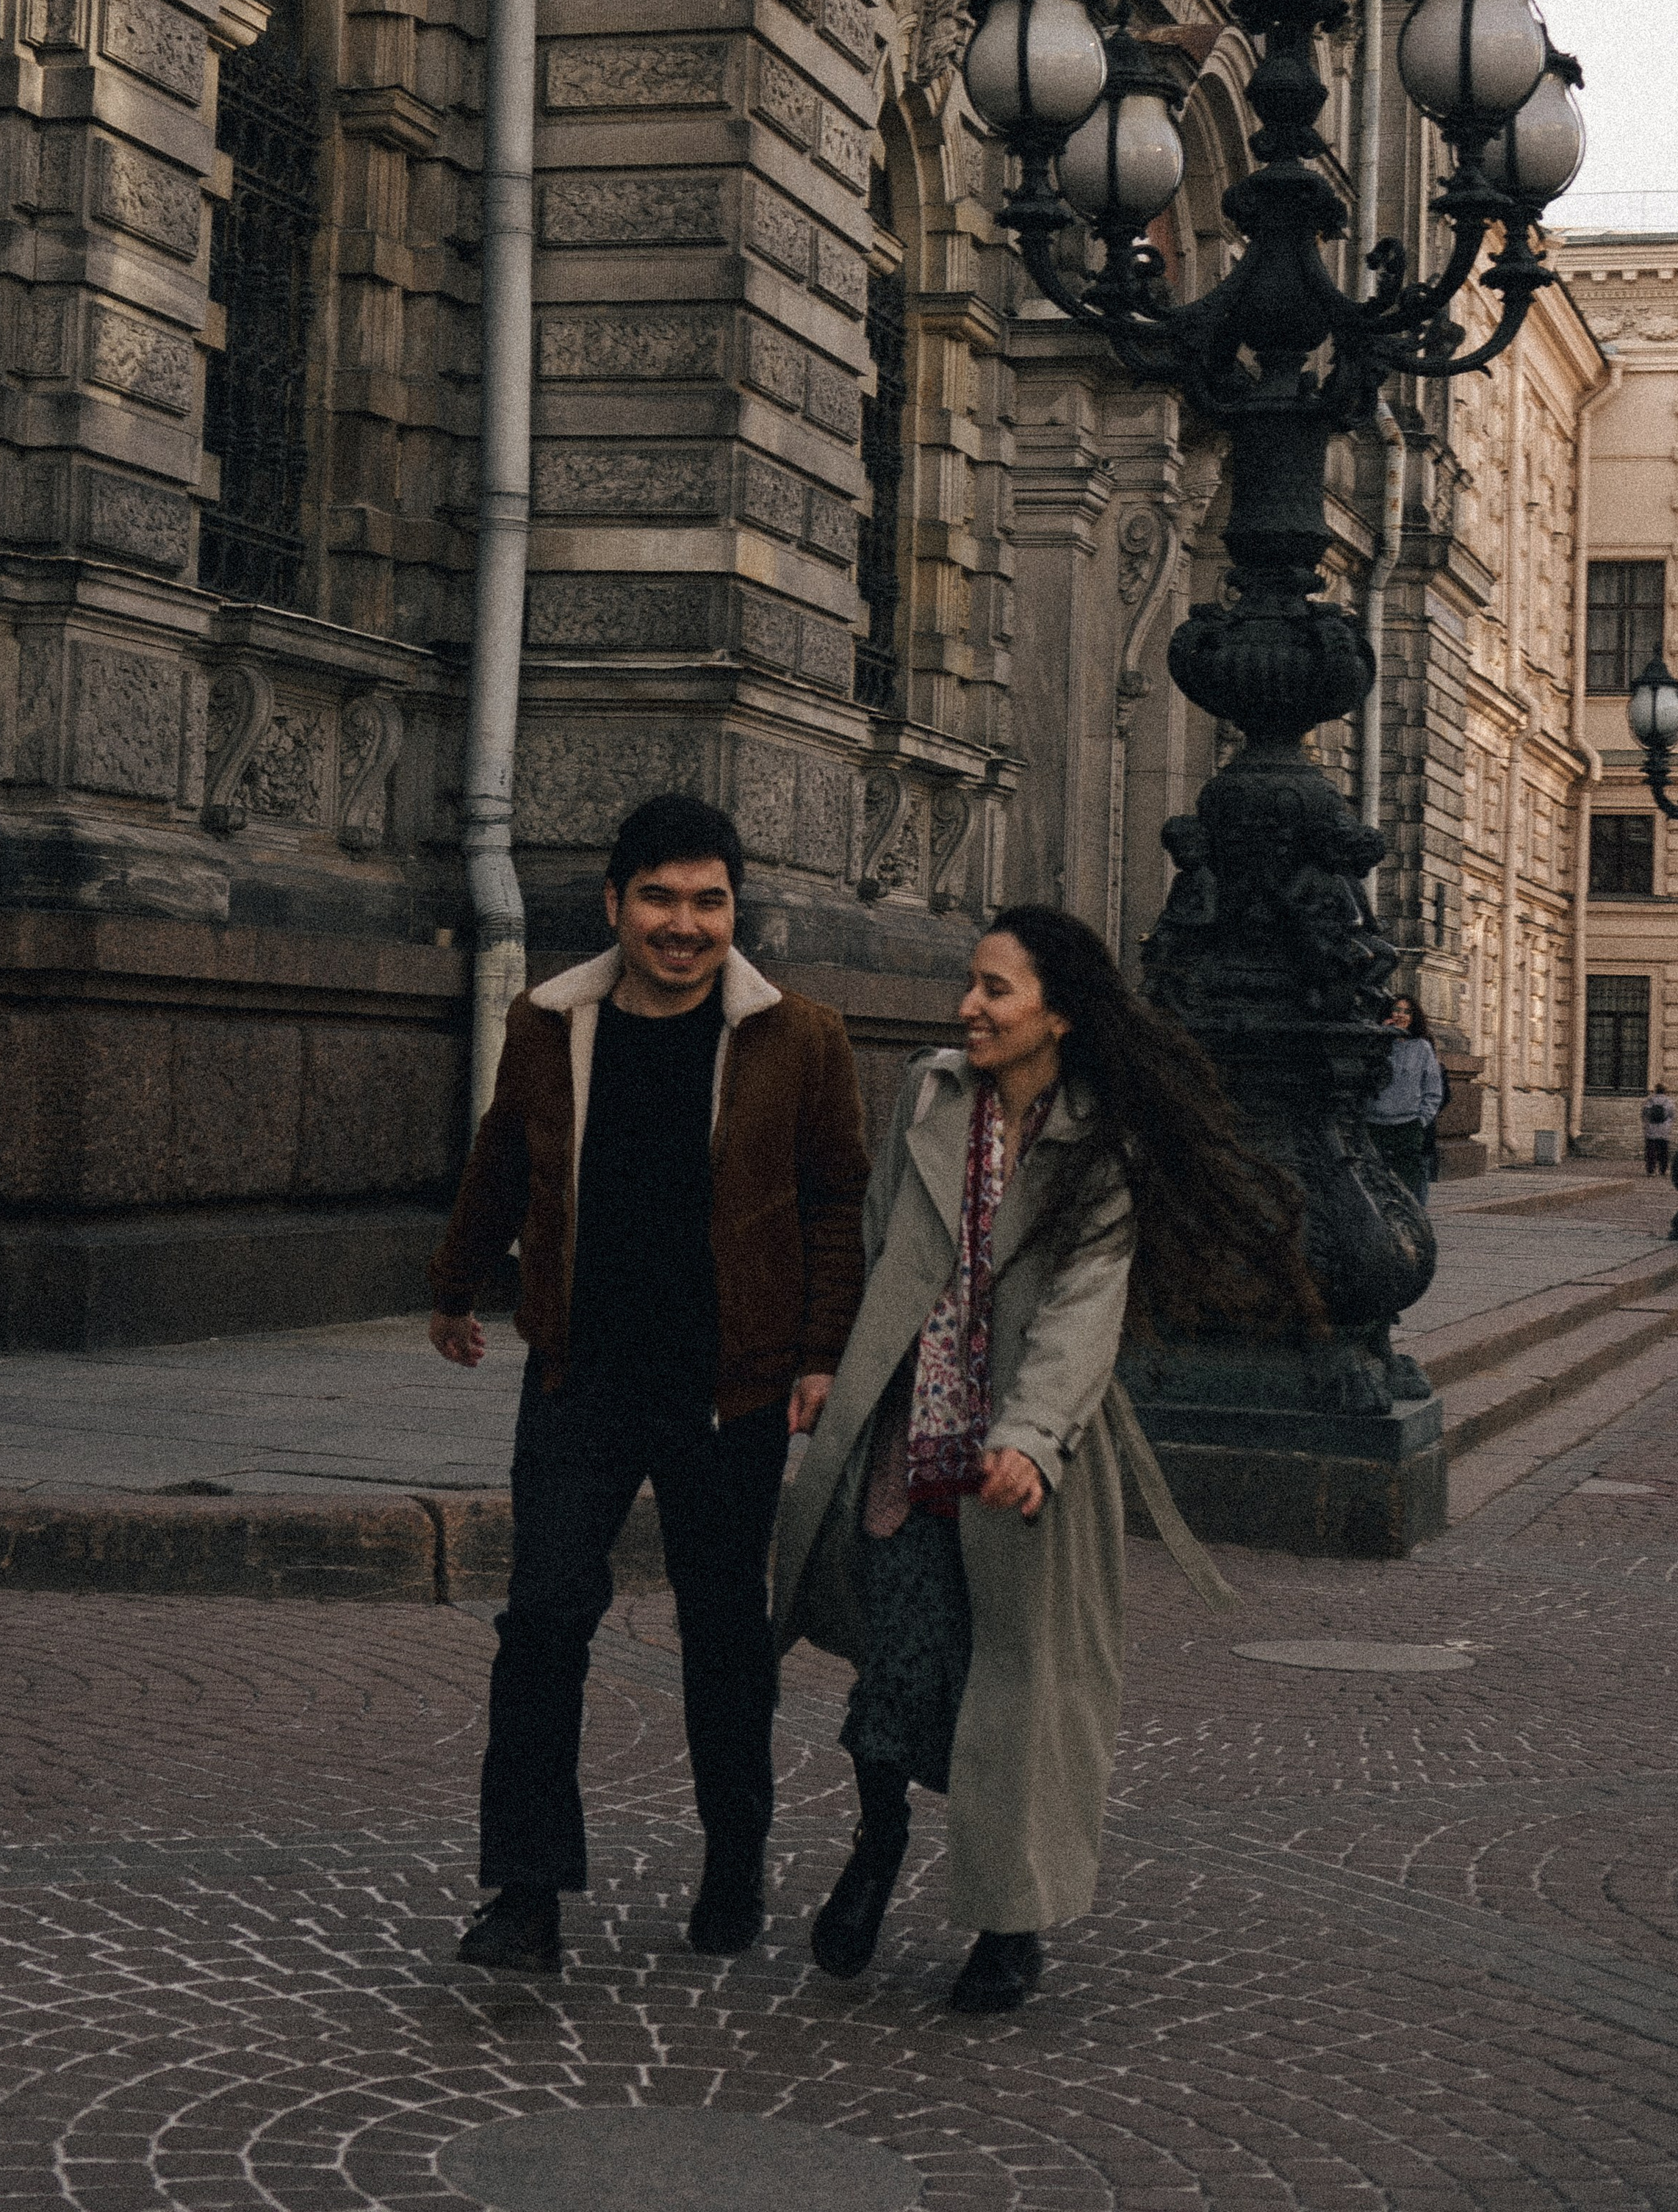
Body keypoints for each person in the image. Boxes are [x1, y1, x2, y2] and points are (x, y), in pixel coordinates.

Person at [773, 906, 1319, 2015]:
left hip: (1028, 1469)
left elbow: (1083, 1311)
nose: (967, 1007)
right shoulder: (927, 1098)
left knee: (1021, 1693)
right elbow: (878, 1243)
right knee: (900, 1666)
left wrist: (1028, 1439)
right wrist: (827, 1362)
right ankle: (878, 1848)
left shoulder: (1100, 1146)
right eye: (970, 986)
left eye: (995, 991)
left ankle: (1008, 1926)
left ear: (1058, 1017)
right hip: (908, 1444)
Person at [429, 793, 869, 1973]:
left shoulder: (802, 1038)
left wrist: (822, 1354)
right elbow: (502, 1159)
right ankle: (524, 1892)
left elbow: (838, 1207)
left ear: (736, 910)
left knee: (725, 1633)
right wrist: (456, 1285)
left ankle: (734, 1860)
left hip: (732, 1388)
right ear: (615, 903)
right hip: (582, 1374)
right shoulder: (548, 1021)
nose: (685, 925)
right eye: (662, 900)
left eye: (709, 901)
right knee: (542, 1624)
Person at [1366, 995, 1444, 1203]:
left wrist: (1421, 1121)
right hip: (1375, 1124)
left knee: (1409, 1187)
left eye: (1406, 1012)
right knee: (1375, 1184)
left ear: (1413, 1017)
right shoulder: (1378, 1044)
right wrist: (1381, 1036)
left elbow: (1433, 1090)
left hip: (1407, 1127)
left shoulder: (1422, 1048)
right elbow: (1366, 1074)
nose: (1400, 1015)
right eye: (1397, 1010)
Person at [1641, 1084, 1677, 1178]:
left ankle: (1651, 1170)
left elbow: (1644, 1113)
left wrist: (1646, 1124)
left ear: (1656, 1091)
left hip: (1651, 1129)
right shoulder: (1668, 1101)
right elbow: (1672, 1115)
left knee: (1651, 1151)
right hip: (1664, 1130)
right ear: (1665, 1091)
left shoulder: (1650, 1101)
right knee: (1664, 1151)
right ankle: (1663, 1170)